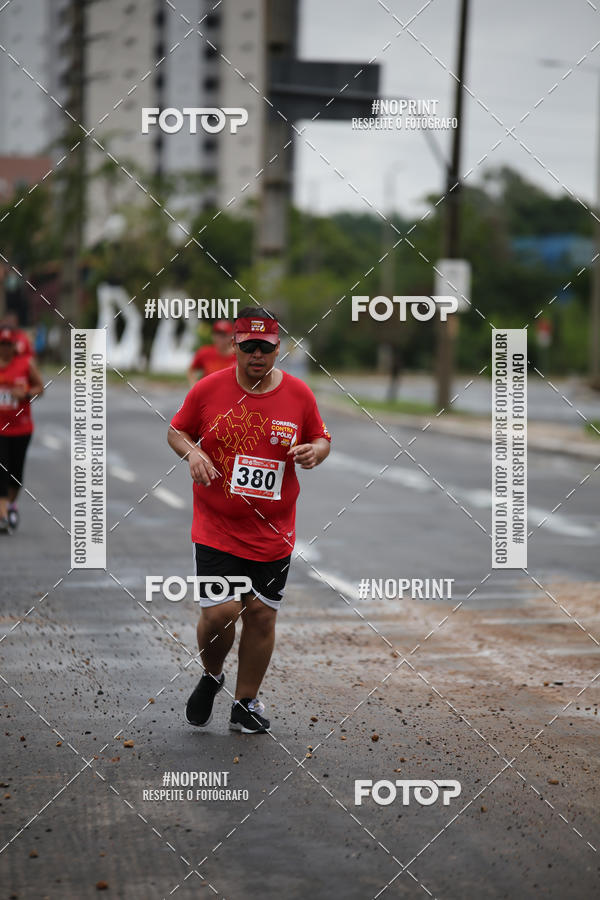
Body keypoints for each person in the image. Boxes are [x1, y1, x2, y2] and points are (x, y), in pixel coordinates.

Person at [168, 307, 331, 733]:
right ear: (235, 347)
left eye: (266, 347)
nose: (257, 355)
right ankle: (211, 675)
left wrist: (316, 452)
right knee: (222, 612)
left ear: (278, 348)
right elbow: (176, 430)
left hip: (273, 532)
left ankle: (245, 702)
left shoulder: (299, 395)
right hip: (217, 524)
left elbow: (321, 437)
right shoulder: (208, 389)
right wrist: (193, 452)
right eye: (248, 347)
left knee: (260, 615)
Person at [0, 327, 44, 533]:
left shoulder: (25, 364)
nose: (5, 348)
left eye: (8, 344)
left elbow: (40, 388)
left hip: (21, 428)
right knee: (2, 472)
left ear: (13, 347)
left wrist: (25, 393)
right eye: (2, 344)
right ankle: (3, 515)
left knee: (15, 475)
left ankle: (10, 505)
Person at [187, 320, 235, 386]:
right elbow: (191, 370)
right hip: (209, 393)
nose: (219, 339)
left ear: (231, 337)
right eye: (217, 335)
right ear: (213, 336)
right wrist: (194, 386)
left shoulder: (238, 355)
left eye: (224, 335)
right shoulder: (205, 353)